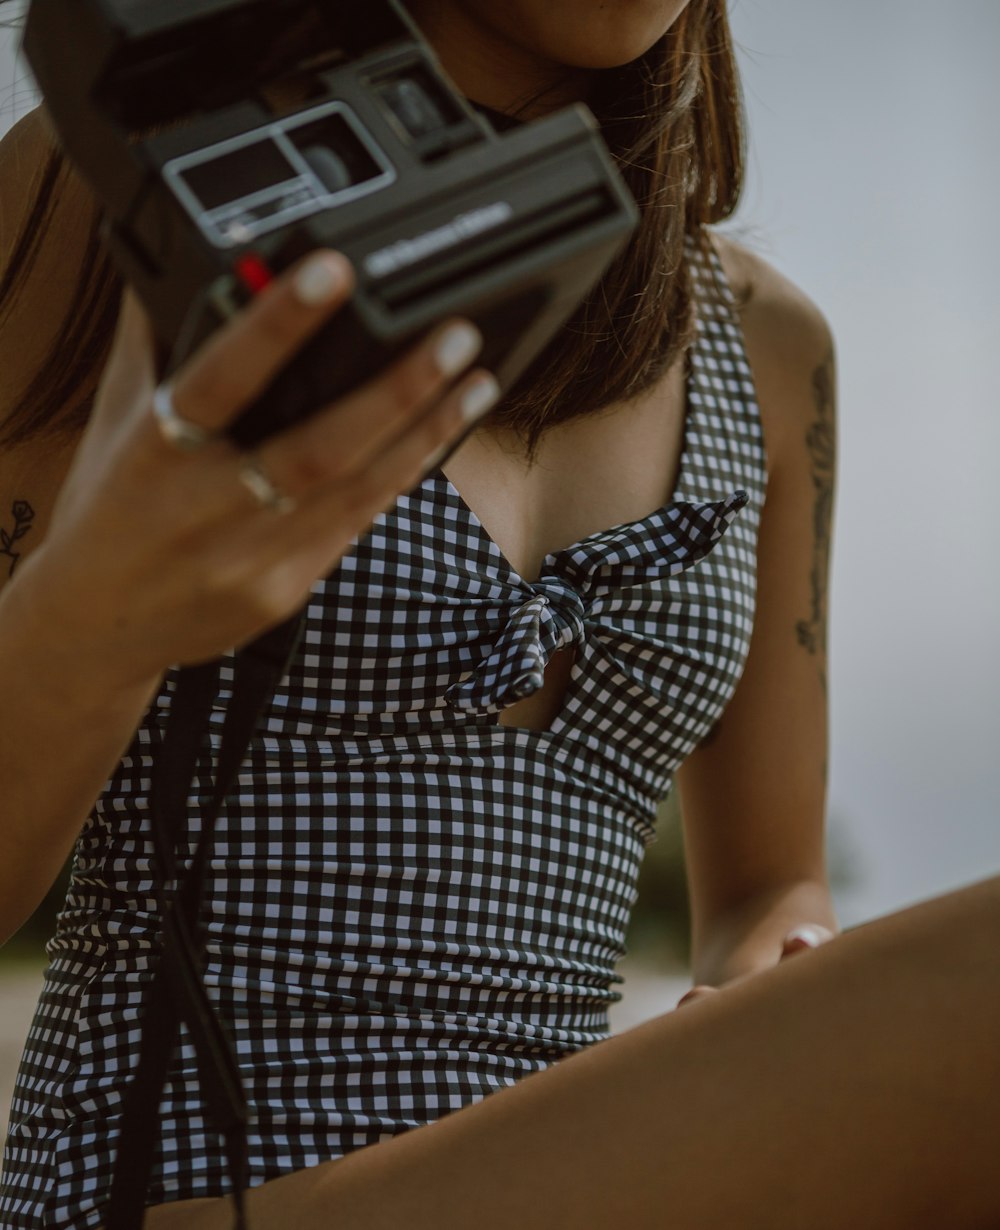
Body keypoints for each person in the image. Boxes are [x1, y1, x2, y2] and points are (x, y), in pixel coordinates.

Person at [0, 1, 997, 1227]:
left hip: (597, 1161)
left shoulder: (767, 345)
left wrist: (770, 974)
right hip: (189, 1177)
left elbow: (767, 889)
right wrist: (92, 616)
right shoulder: (145, 186)